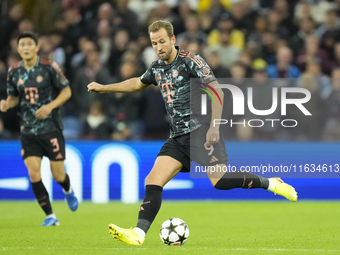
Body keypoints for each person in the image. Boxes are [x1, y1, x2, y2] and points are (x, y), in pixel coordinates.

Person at [87, 20, 298, 246]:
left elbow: (217, 92)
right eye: (154, 43)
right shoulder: (157, 67)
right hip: (177, 137)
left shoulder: (190, 62)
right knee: (153, 179)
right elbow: (138, 83)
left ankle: (271, 183)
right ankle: (138, 234)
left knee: (220, 181)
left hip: (202, 131)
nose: (158, 47)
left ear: (172, 39)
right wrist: (104, 88)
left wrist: (215, 127)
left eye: (162, 42)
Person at [0, 31, 78, 226]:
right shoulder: (14, 71)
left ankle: (68, 190)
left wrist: (50, 107)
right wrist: (6, 104)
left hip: (50, 128)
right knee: (33, 173)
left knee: (58, 175)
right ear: (18, 49)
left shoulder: (49, 67)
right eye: (22, 45)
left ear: (36, 48)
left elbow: (67, 90)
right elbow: (14, 97)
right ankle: (50, 215)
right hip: (27, 130)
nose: (25, 47)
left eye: (29, 44)